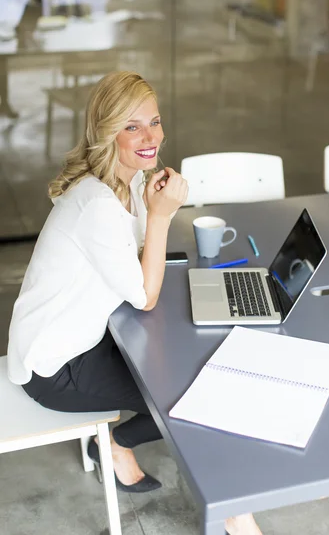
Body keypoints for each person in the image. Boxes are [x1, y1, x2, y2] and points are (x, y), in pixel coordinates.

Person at [7, 71, 262, 535]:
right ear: (108, 134)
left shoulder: (125, 182)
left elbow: (142, 251)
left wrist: (153, 210)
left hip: (85, 338)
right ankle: (233, 512)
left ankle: (115, 442)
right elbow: (145, 294)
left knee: (189, 368)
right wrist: (164, 213)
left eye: (155, 121)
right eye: (133, 127)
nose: (152, 137)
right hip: (54, 367)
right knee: (190, 396)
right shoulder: (97, 203)